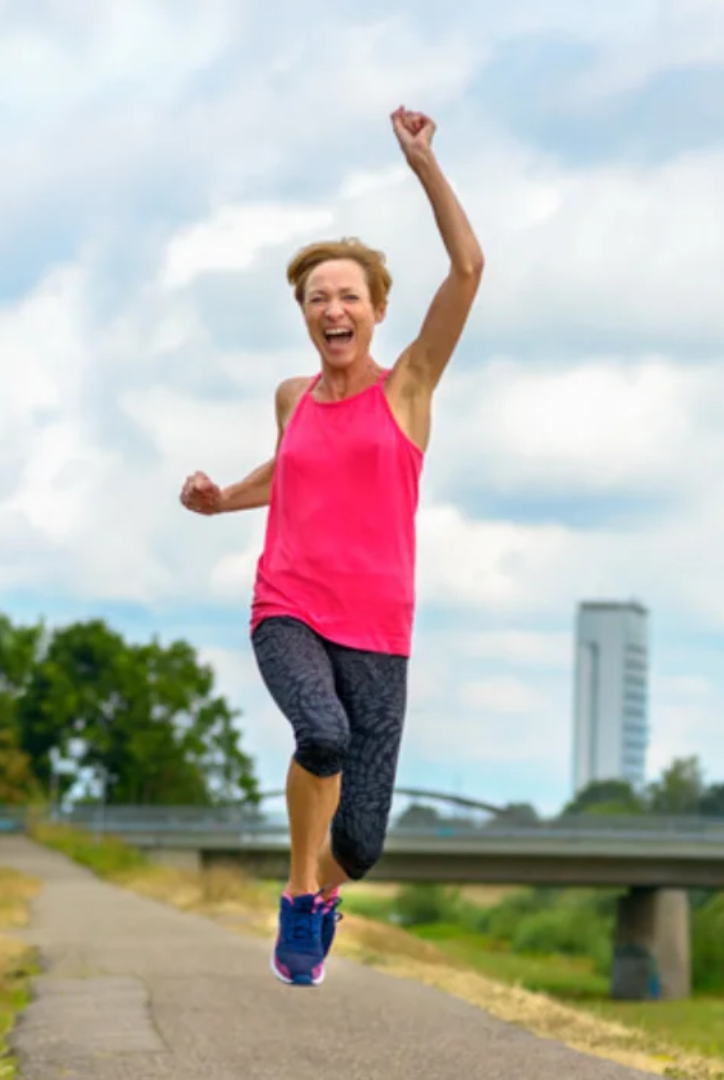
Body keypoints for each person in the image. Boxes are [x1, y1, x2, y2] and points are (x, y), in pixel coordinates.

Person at [179, 105, 484, 987]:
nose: (333, 308)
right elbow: (289, 472)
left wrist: (423, 165)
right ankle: (298, 893)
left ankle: (323, 890)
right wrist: (221, 500)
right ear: (306, 317)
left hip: (380, 631)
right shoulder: (292, 397)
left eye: (349, 295)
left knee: (365, 840)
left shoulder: (409, 389)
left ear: (378, 310)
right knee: (321, 733)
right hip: (290, 607)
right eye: (318, 298)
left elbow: (468, 269)